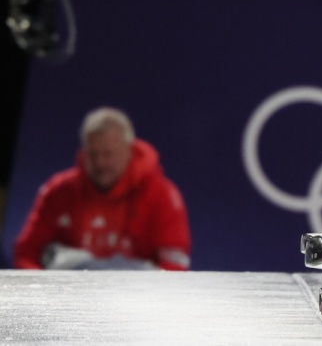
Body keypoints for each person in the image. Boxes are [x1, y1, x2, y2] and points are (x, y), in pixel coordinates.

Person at [13, 107, 191, 270]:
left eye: (108, 154)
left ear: (129, 150)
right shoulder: (58, 191)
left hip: (134, 291)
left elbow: (174, 266)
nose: (100, 163)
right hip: (69, 290)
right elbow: (26, 253)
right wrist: (42, 291)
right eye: (93, 154)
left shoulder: (162, 195)